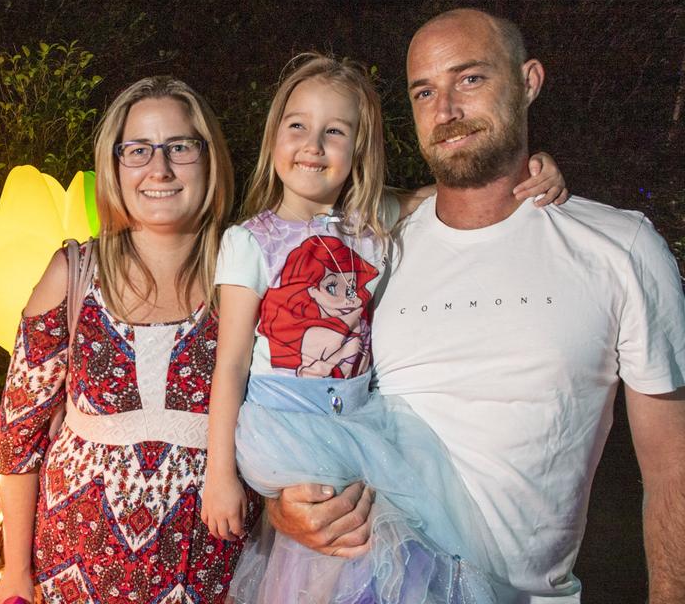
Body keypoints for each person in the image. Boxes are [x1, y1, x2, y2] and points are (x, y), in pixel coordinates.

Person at [264, 9, 685, 603]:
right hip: (363, 583)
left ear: (529, 81)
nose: (446, 111)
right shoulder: (373, 250)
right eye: (424, 91)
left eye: (470, 80)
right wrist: (283, 504)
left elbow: (673, 471)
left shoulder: (621, 249)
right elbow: (296, 390)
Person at [201, 54, 567, 602]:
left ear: (358, 149)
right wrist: (218, 475)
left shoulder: (372, 226)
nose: (313, 144)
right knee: (336, 540)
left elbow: (444, 193)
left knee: (389, 549)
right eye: (297, 125)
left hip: (360, 420)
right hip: (287, 423)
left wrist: (533, 167)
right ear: (274, 134)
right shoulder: (250, 241)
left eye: (335, 132)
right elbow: (229, 363)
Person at [0, 76, 256, 604]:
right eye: (138, 150)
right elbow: (18, 440)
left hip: (216, 569)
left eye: (180, 146)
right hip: (75, 570)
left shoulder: (246, 273)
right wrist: (15, 573)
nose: (159, 169)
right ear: (114, 166)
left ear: (210, 158)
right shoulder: (72, 273)